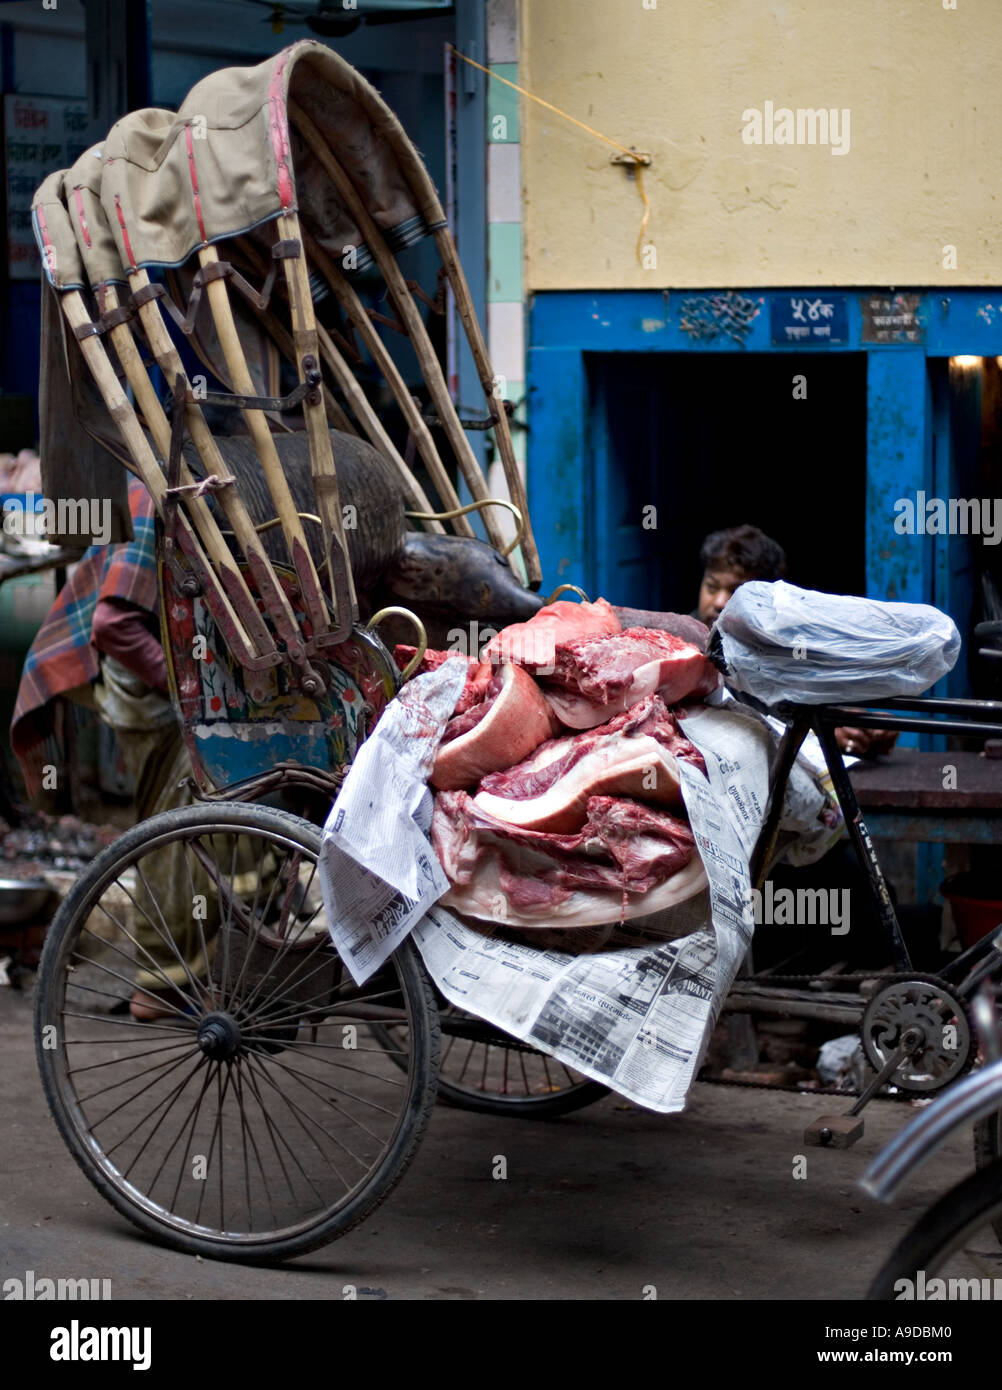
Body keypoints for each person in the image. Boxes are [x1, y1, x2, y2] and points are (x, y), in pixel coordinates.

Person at [11, 476, 205, 1020]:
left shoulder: (188, 489)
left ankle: (172, 973)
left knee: (170, 819)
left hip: (151, 667)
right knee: (172, 824)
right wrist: (190, 694)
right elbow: (114, 624)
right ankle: (161, 983)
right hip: (133, 672)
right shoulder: (160, 496)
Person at [692, 523, 896, 759]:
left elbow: (807, 704)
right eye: (711, 586)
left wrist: (858, 730)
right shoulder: (683, 647)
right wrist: (813, 734)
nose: (718, 601)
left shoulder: (789, 649)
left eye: (735, 591)